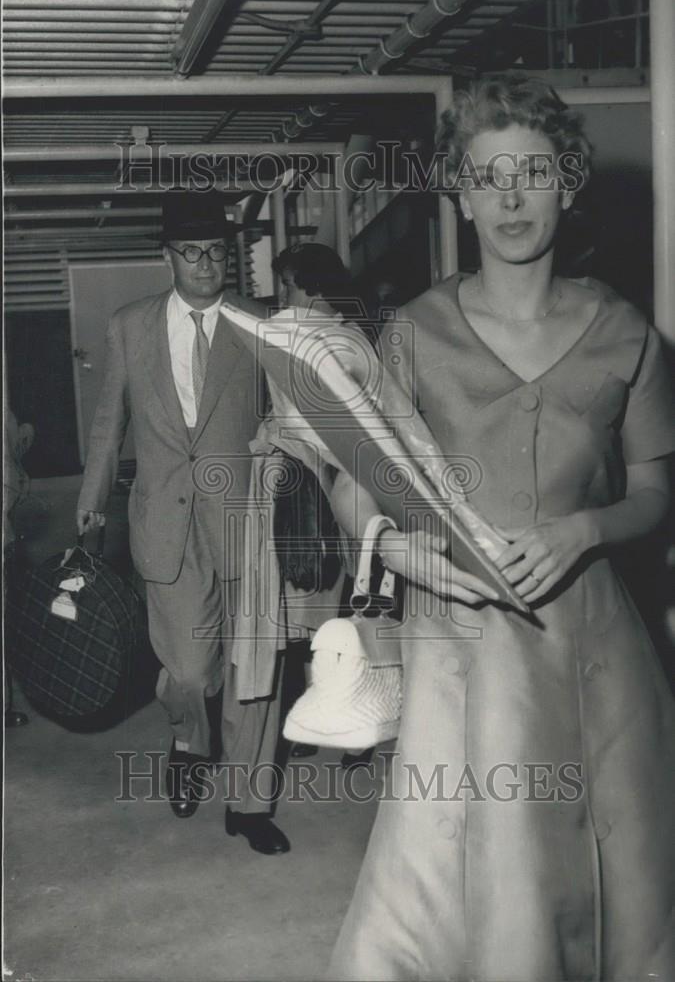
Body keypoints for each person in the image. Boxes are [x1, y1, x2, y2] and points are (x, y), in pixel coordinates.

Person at [328, 75, 675, 980]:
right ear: (460, 194)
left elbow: (653, 492)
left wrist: (583, 531)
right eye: (489, 177)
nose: (512, 197)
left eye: (532, 172)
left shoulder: (625, 331)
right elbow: (354, 486)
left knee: (618, 889)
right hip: (462, 649)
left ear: (567, 182)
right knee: (469, 889)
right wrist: (401, 550)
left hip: (598, 649)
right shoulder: (411, 333)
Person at [76, 192, 289, 855]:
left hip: (246, 518)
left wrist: (282, 461)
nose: (205, 265)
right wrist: (90, 508)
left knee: (253, 668)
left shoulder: (260, 324)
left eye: (217, 253)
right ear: (166, 256)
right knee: (191, 673)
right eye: (191, 253)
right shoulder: (130, 326)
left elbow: (287, 418)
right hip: (165, 524)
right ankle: (189, 745)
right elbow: (109, 425)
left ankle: (249, 806)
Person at [228, 243, 374, 766]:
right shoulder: (352, 335)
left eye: (287, 284)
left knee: (314, 610)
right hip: (329, 485)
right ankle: (332, 721)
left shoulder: (311, 336)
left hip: (318, 485)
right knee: (325, 610)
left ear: (312, 286)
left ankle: (342, 722)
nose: (280, 295)